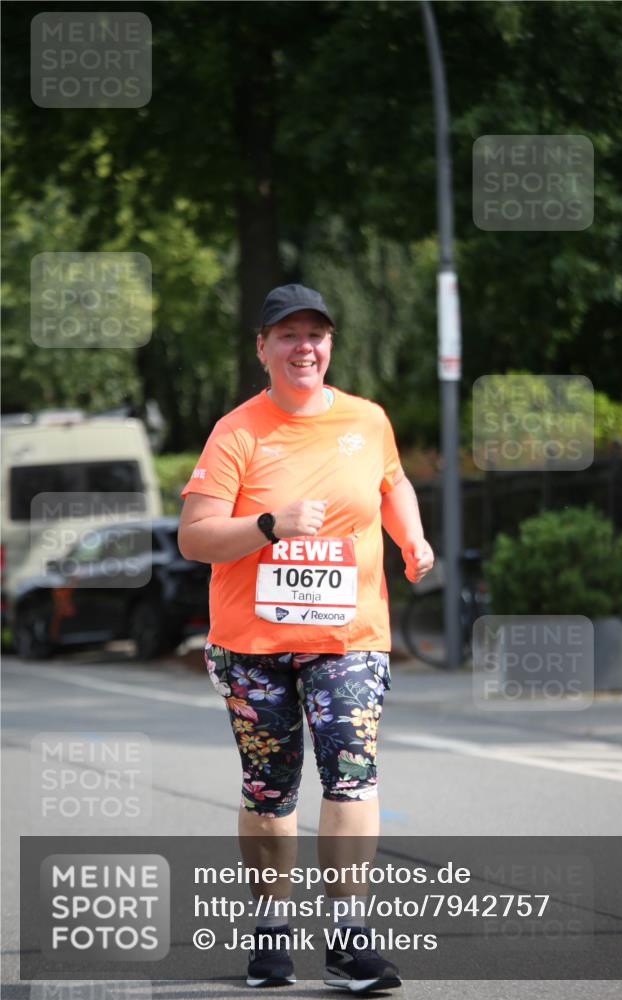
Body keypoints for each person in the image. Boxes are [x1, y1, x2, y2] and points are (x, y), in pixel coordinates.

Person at [178, 283, 433, 992]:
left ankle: (349, 941)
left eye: (315, 334)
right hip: (251, 645)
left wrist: (410, 537)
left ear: (329, 346)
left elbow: (391, 483)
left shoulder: (367, 419)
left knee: (351, 769)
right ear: (261, 349)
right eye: (287, 335)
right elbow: (195, 537)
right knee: (269, 789)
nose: (304, 346)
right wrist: (270, 526)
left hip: (348, 636)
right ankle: (269, 931)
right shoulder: (236, 431)